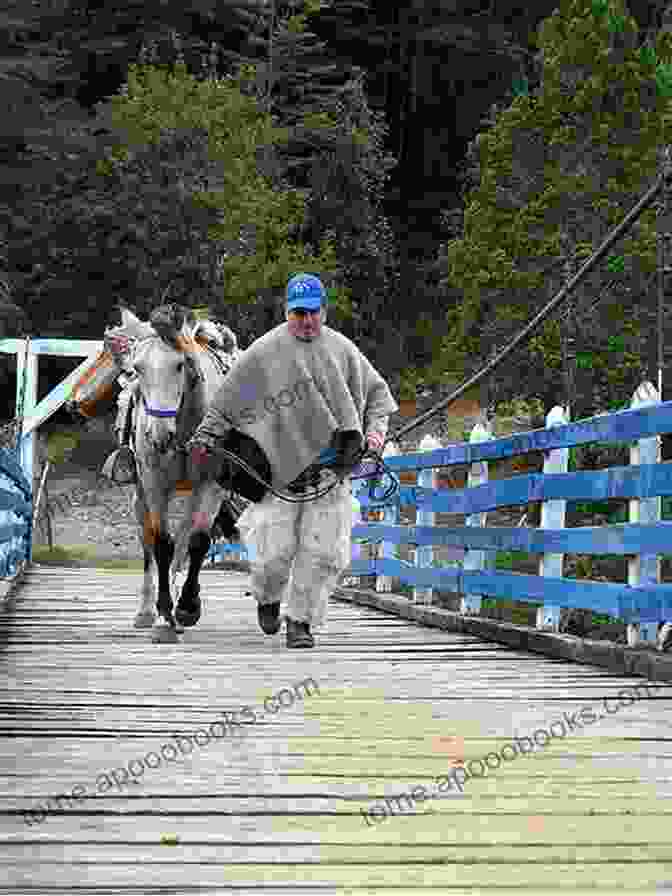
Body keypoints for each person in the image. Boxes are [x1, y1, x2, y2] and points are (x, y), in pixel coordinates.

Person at [187, 273, 398, 648]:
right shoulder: (264, 352)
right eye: (298, 313)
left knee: (321, 553)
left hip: (330, 472)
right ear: (287, 311)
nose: (306, 321)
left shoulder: (343, 350)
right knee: (272, 554)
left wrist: (375, 435)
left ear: (324, 312)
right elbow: (227, 401)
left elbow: (378, 397)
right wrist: (205, 435)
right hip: (279, 474)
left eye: (313, 313)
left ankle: (300, 621)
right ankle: (268, 597)